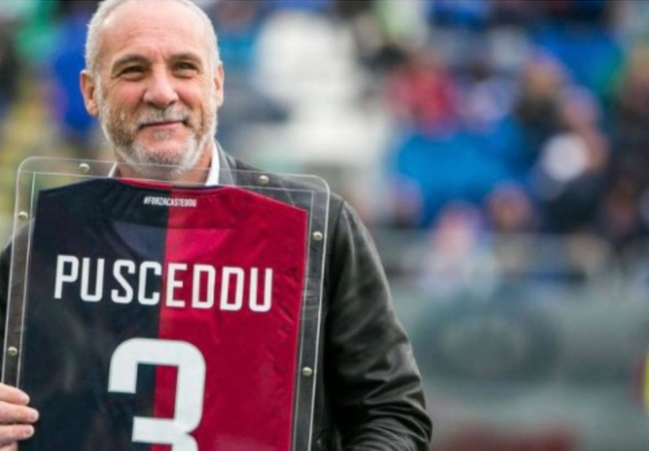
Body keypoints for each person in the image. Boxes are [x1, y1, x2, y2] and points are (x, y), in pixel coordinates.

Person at [0, 1, 432, 450]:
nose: (162, 92)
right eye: (133, 70)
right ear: (91, 92)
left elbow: (391, 414)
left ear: (217, 84)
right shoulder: (46, 245)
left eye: (184, 68)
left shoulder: (315, 231)